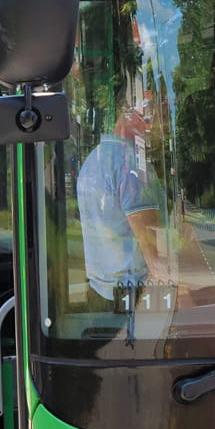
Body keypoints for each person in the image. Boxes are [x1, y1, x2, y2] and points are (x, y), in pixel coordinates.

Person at [76, 89, 166, 301]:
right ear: (128, 115)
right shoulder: (131, 163)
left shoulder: (93, 159)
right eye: (151, 114)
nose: (155, 126)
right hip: (132, 294)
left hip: (100, 290)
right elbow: (151, 244)